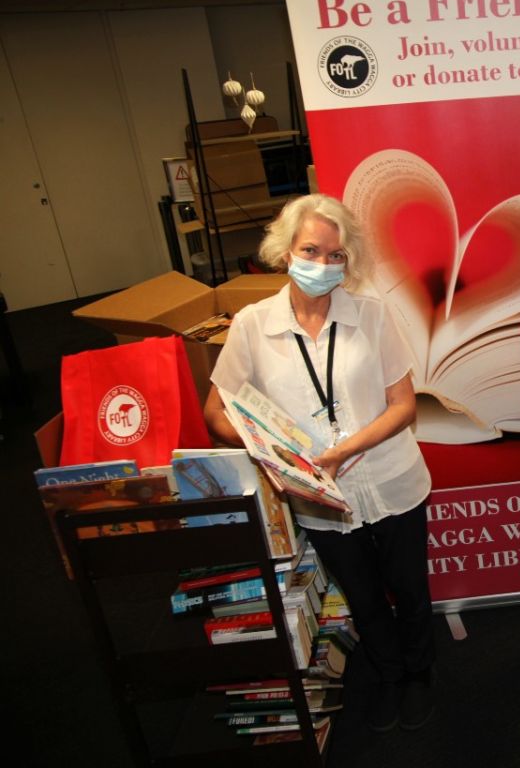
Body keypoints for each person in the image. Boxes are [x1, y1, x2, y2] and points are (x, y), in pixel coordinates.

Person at [203, 193, 435, 733]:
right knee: (362, 594)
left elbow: (403, 405)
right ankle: (389, 673)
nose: (323, 265)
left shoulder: (372, 315)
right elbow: (217, 413)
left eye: (336, 256)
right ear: (285, 251)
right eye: (312, 250)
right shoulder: (251, 326)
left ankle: (422, 672)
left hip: (392, 478)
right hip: (318, 496)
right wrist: (271, 453)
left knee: (410, 587)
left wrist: (346, 449)